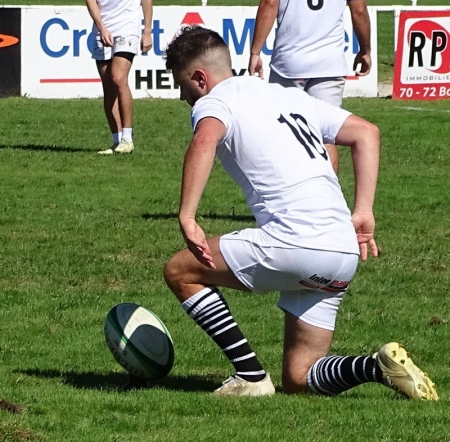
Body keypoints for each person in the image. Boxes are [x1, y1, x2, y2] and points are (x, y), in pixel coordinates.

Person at [160, 26, 439, 400]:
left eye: (183, 87)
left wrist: (187, 215)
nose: (184, 98)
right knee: (299, 378)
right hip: (342, 250)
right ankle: (376, 366)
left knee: (180, 271)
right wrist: (364, 212)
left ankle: (250, 376)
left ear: (200, 78)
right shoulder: (288, 96)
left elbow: (205, 140)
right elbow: (366, 133)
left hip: (295, 241)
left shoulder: (215, 101)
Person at [248, 0, 372, 174]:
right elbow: (359, 10)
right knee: (325, 137)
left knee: (286, 135)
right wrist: (365, 50)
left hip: (289, 62)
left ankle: (291, 195)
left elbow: (269, 2)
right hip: (329, 64)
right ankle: (327, 197)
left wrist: (255, 52)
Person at [80, 0, 153, 155]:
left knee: (118, 78)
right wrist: (101, 27)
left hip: (127, 27)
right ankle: (117, 141)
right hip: (102, 29)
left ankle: (128, 138)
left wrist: (147, 31)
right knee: (108, 86)